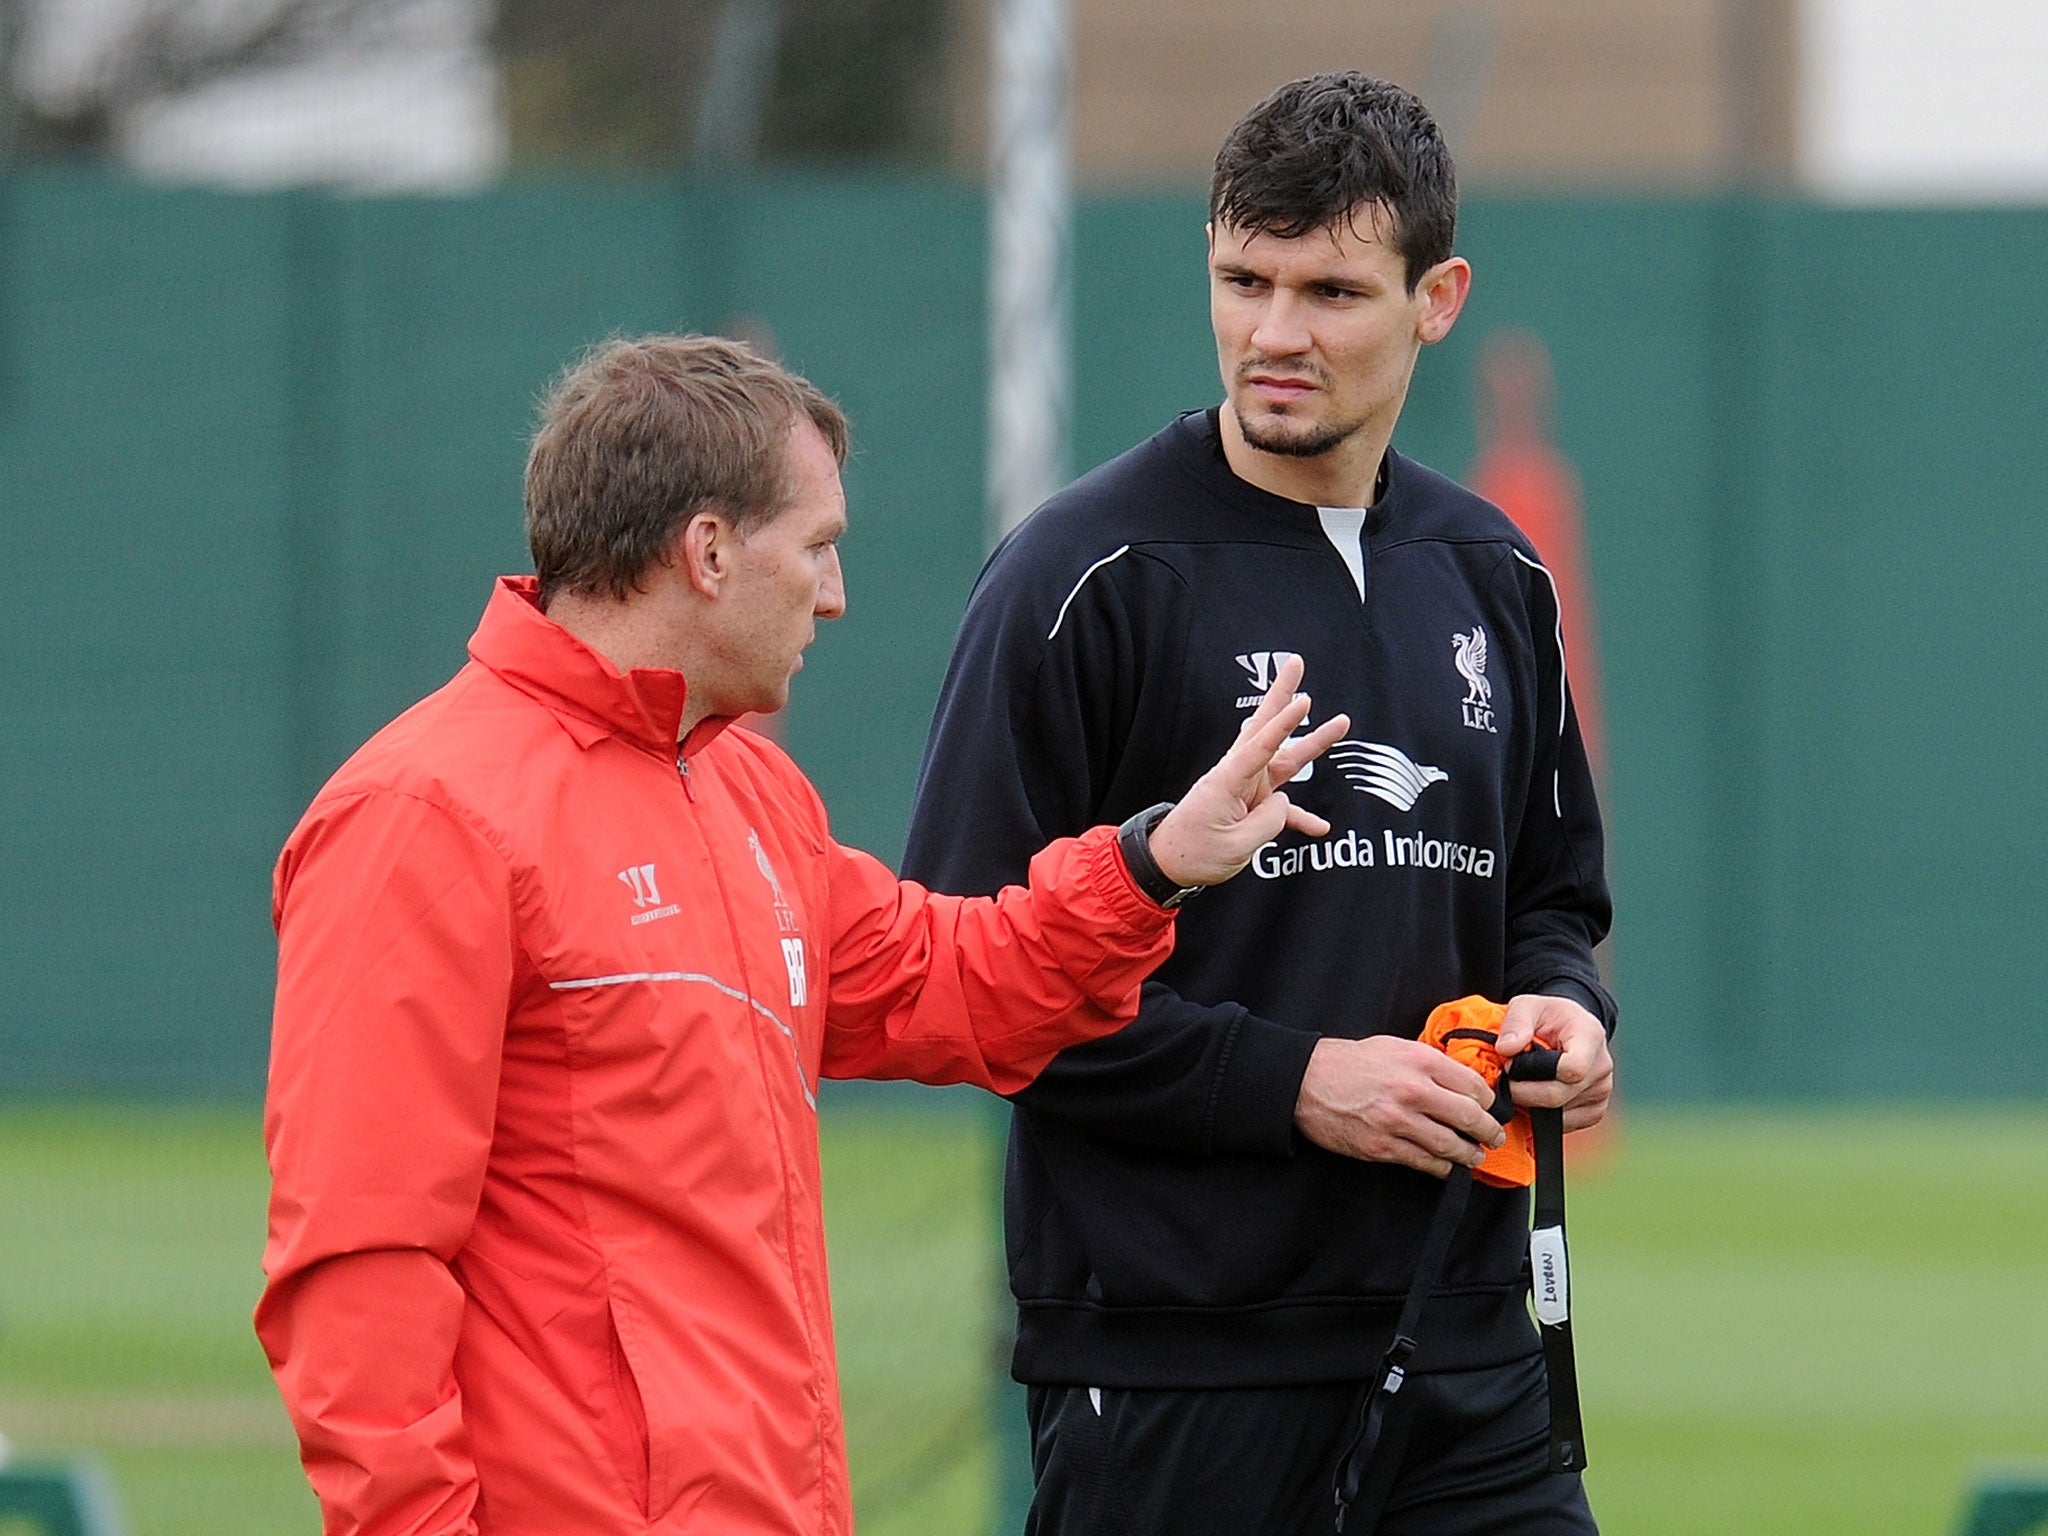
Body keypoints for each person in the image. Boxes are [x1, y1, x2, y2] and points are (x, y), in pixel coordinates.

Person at [256, 334, 1349, 1536]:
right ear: (709, 552)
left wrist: (1149, 864)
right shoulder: (422, 817)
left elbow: (954, 985)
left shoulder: (750, 798)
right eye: (818, 547)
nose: (836, 595)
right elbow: (360, 1266)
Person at [901, 73, 1617, 1536]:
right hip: (1175, 1373)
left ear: (1439, 297)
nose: (1276, 333)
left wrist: (1564, 1011)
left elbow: (1551, 897)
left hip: (1466, 1350)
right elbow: (960, 976)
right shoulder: (1078, 576)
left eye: (1332, 291)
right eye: (1245, 279)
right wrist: (1292, 1083)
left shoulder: (1497, 573)